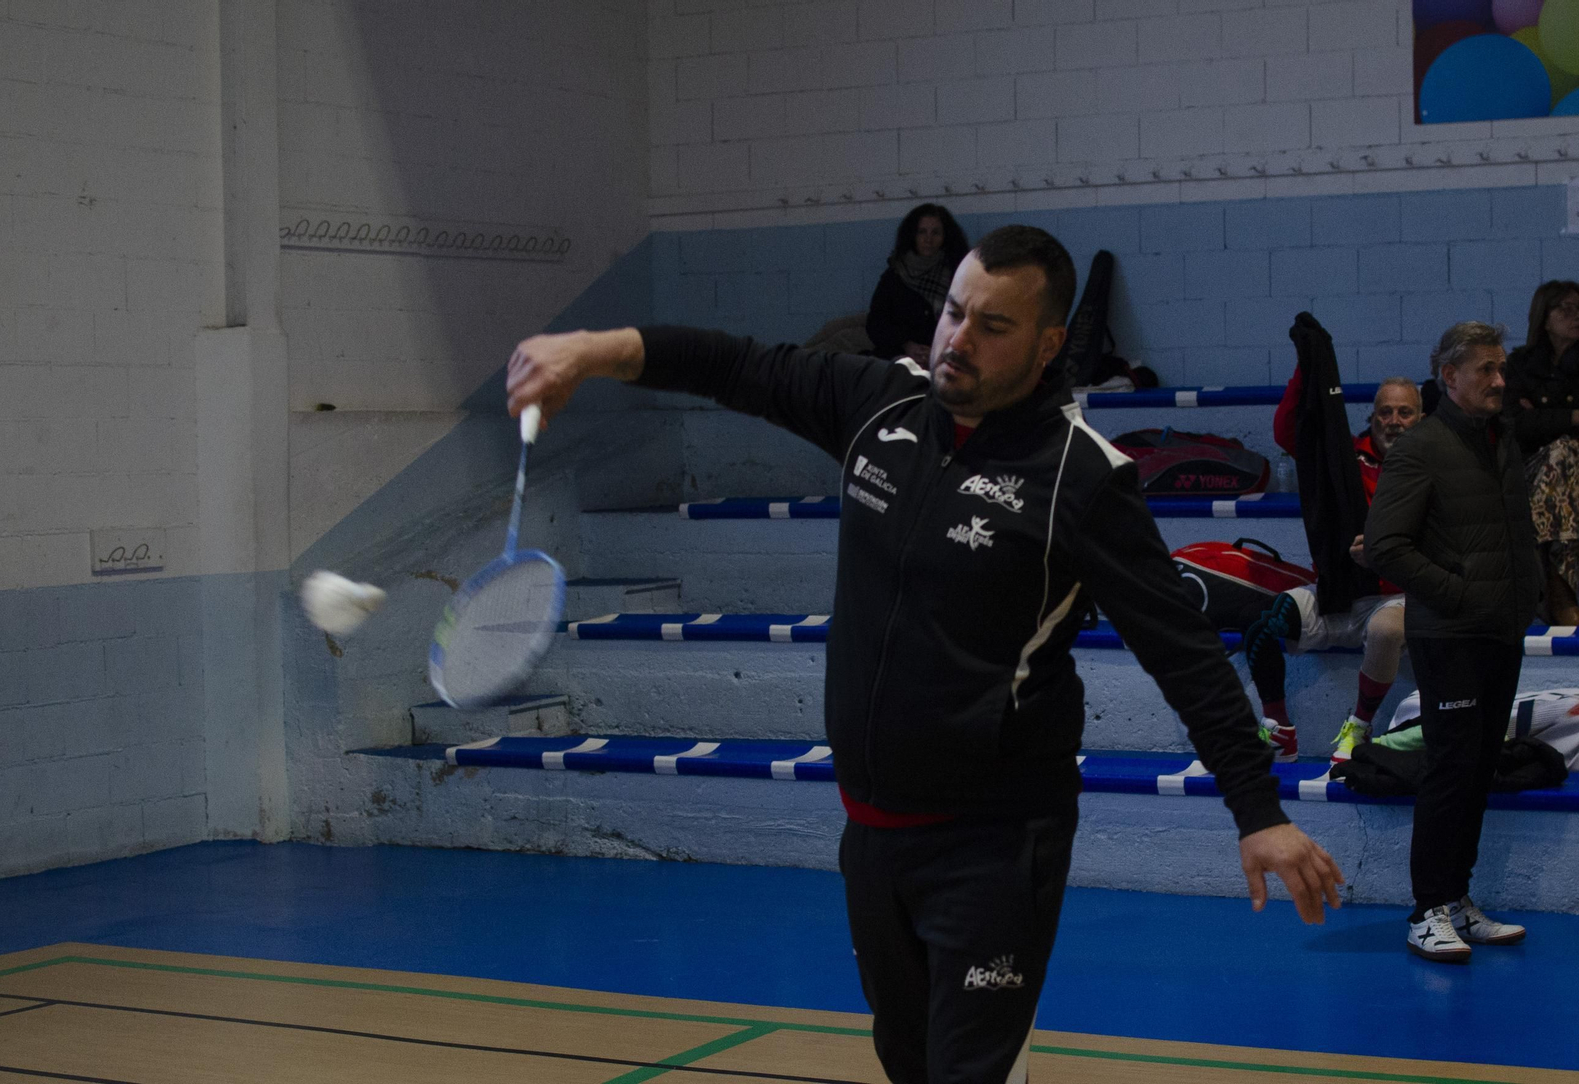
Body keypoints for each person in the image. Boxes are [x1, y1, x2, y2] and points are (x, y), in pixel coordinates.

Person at [505, 225, 1343, 1082]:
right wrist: (590, 347)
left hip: (995, 844)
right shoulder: (881, 404)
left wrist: (1259, 812)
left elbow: (1184, 652)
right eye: (953, 312)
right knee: (910, 1067)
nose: (958, 340)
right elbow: (738, 365)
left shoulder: (1080, 478)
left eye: (993, 327)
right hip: (872, 838)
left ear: (1051, 343)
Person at [1366, 321, 1541, 963]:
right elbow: (1385, 545)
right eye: (1486, 370)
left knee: (1476, 770)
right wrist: (1462, 592)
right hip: (1452, 637)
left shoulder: (1498, 439)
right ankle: (1427, 912)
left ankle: (1457, 900)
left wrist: (1521, 600)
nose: (1500, 380)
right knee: (1448, 771)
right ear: (1450, 378)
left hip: (1499, 632)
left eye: (1501, 368)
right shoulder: (1421, 447)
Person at [1247, 377, 1424, 764]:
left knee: (1386, 629)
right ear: (1372, 417)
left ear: (1421, 418)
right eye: (1385, 412)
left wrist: (1385, 554)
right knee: (1267, 623)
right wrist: (1308, 364)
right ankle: (1279, 730)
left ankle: (1359, 728)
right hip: (1339, 593)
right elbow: (1287, 432)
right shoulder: (1345, 458)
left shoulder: (1435, 466)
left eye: (1405, 412)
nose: (1394, 421)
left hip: (1398, 595)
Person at [1505, 279, 1579, 625]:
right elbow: (1515, 424)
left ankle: (1555, 589)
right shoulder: (1520, 364)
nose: (1575, 315)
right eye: (1565, 308)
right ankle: (1558, 590)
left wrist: (1541, 416)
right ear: (1544, 316)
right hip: (1534, 469)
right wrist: (1572, 416)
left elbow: (1532, 421)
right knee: (1559, 455)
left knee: (1563, 454)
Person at [865, 203, 969, 364]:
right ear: (913, 235)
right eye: (922, 232)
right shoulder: (895, 275)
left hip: (944, 355)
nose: (928, 239)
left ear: (945, 236)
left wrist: (937, 349)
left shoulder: (957, 274)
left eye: (935, 232)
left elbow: (964, 321)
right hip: (899, 354)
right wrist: (906, 345)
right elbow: (876, 324)